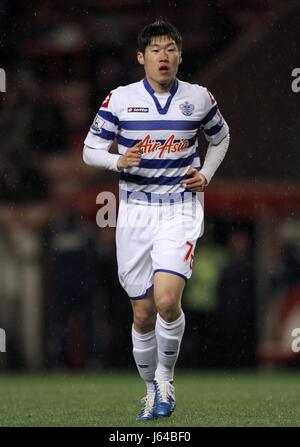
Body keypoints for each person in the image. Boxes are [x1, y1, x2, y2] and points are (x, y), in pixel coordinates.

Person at [83, 20, 230, 420]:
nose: (163, 56)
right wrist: (117, 159)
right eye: (155, 50)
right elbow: (89, 149)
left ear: (180, 56)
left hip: (180, 208)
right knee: (143, 313)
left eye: (170, 49)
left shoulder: (199, 98)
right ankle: (151, 390)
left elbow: (221, 137)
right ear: (141, 57)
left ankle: (165, 379)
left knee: (167, 300)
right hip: (134, 212)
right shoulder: (120, 100)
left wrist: (207, 175)